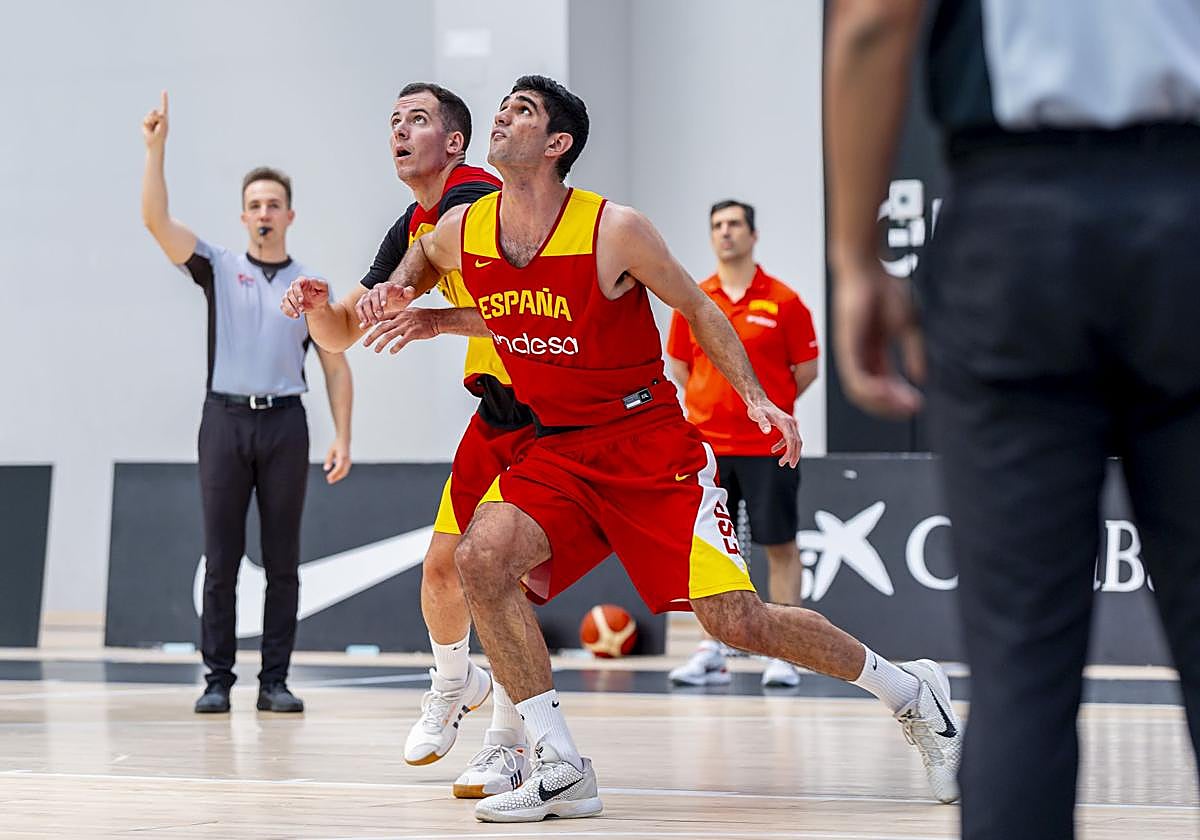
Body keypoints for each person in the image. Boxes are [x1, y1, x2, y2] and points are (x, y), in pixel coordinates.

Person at [357, 74, 963, 823]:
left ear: (557, 144)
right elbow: (425, 262)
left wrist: (756, 397)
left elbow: (699, 307)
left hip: (651, 449)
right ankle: (557, 763)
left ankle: (910, 690)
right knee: (481, 558)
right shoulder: (467, 227)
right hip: (562, 450)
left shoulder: (614, 229)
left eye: (523, 112)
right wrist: (410, 303)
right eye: (504, 107)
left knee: (737, 622)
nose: (503, 118)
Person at [824, 2, 1200, 838]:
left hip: (1016, 220)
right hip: (1185, 206)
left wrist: (855, 258)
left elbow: (874, 24)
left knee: (1021, 672)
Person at [280, 83, 533, 798]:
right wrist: (316, 309)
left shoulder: (481, 199)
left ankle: (511, 743)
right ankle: (457, 684)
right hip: (495, 415)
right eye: (393, 119)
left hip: (559, 413)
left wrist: (425, 314)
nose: (399, 129)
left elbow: (531, 309)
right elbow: (346, 331)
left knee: (505, 579)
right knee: (442, 574)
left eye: (416, 120)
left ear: (453, 143)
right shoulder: (411, 225)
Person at [140, 92, 353, 715]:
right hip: (225, 421)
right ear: (242, 216)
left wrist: (344, 434)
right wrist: (156, 149)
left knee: (284, 559)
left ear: (290, 215)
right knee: (222, 558)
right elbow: (157, 222)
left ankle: (274, 682)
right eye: (254, 204)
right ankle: (216, 679)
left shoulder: (311, 285)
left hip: (286, 422)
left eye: (273, 204)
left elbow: (337, 365)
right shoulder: (217, 265)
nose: (264, 212)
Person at [667, 199, 819, 689]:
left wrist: (766, 412)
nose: (725, 232)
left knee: (779, 545)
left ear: (753, 235)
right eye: (717, 225)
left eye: (734, 224)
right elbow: (682, 369)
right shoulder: (695, 299)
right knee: (712, 552)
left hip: (768, 448)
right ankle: (711, 648)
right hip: (707, 449)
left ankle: (785, 652)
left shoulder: (785, 301)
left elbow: (806, 371)